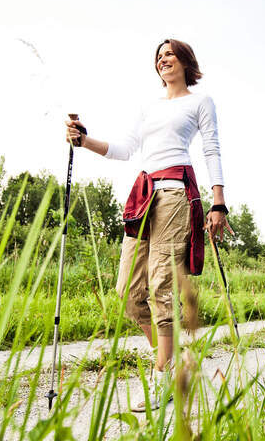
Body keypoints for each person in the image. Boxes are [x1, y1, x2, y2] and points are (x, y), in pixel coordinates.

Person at [65, 38, 233, 411]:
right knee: (128, 291)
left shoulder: (200, 101)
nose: (163, 60)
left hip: (175, 194)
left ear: (185, 61)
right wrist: (84, 139)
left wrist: (218, 201)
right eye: (159, 57)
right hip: (143, 195)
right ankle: (173, 366)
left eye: (170, 54)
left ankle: (162, 377)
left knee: (160, 284)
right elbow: (125, 149)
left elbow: (211, 149)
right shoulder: (149, 106)